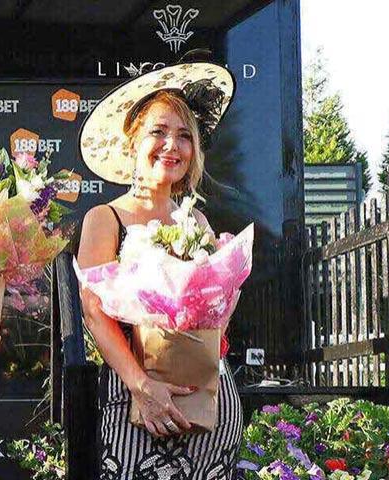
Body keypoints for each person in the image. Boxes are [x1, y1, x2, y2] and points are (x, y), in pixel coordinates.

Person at [74, 62, 243, 479]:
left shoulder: (197, 222)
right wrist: (143, 386)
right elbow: (94, 313)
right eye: (159, 131)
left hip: (208, 405)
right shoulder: (105, 218)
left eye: (185, 136)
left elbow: (215, 314)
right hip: (135, 404)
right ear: (134, 141)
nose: (172, 145)